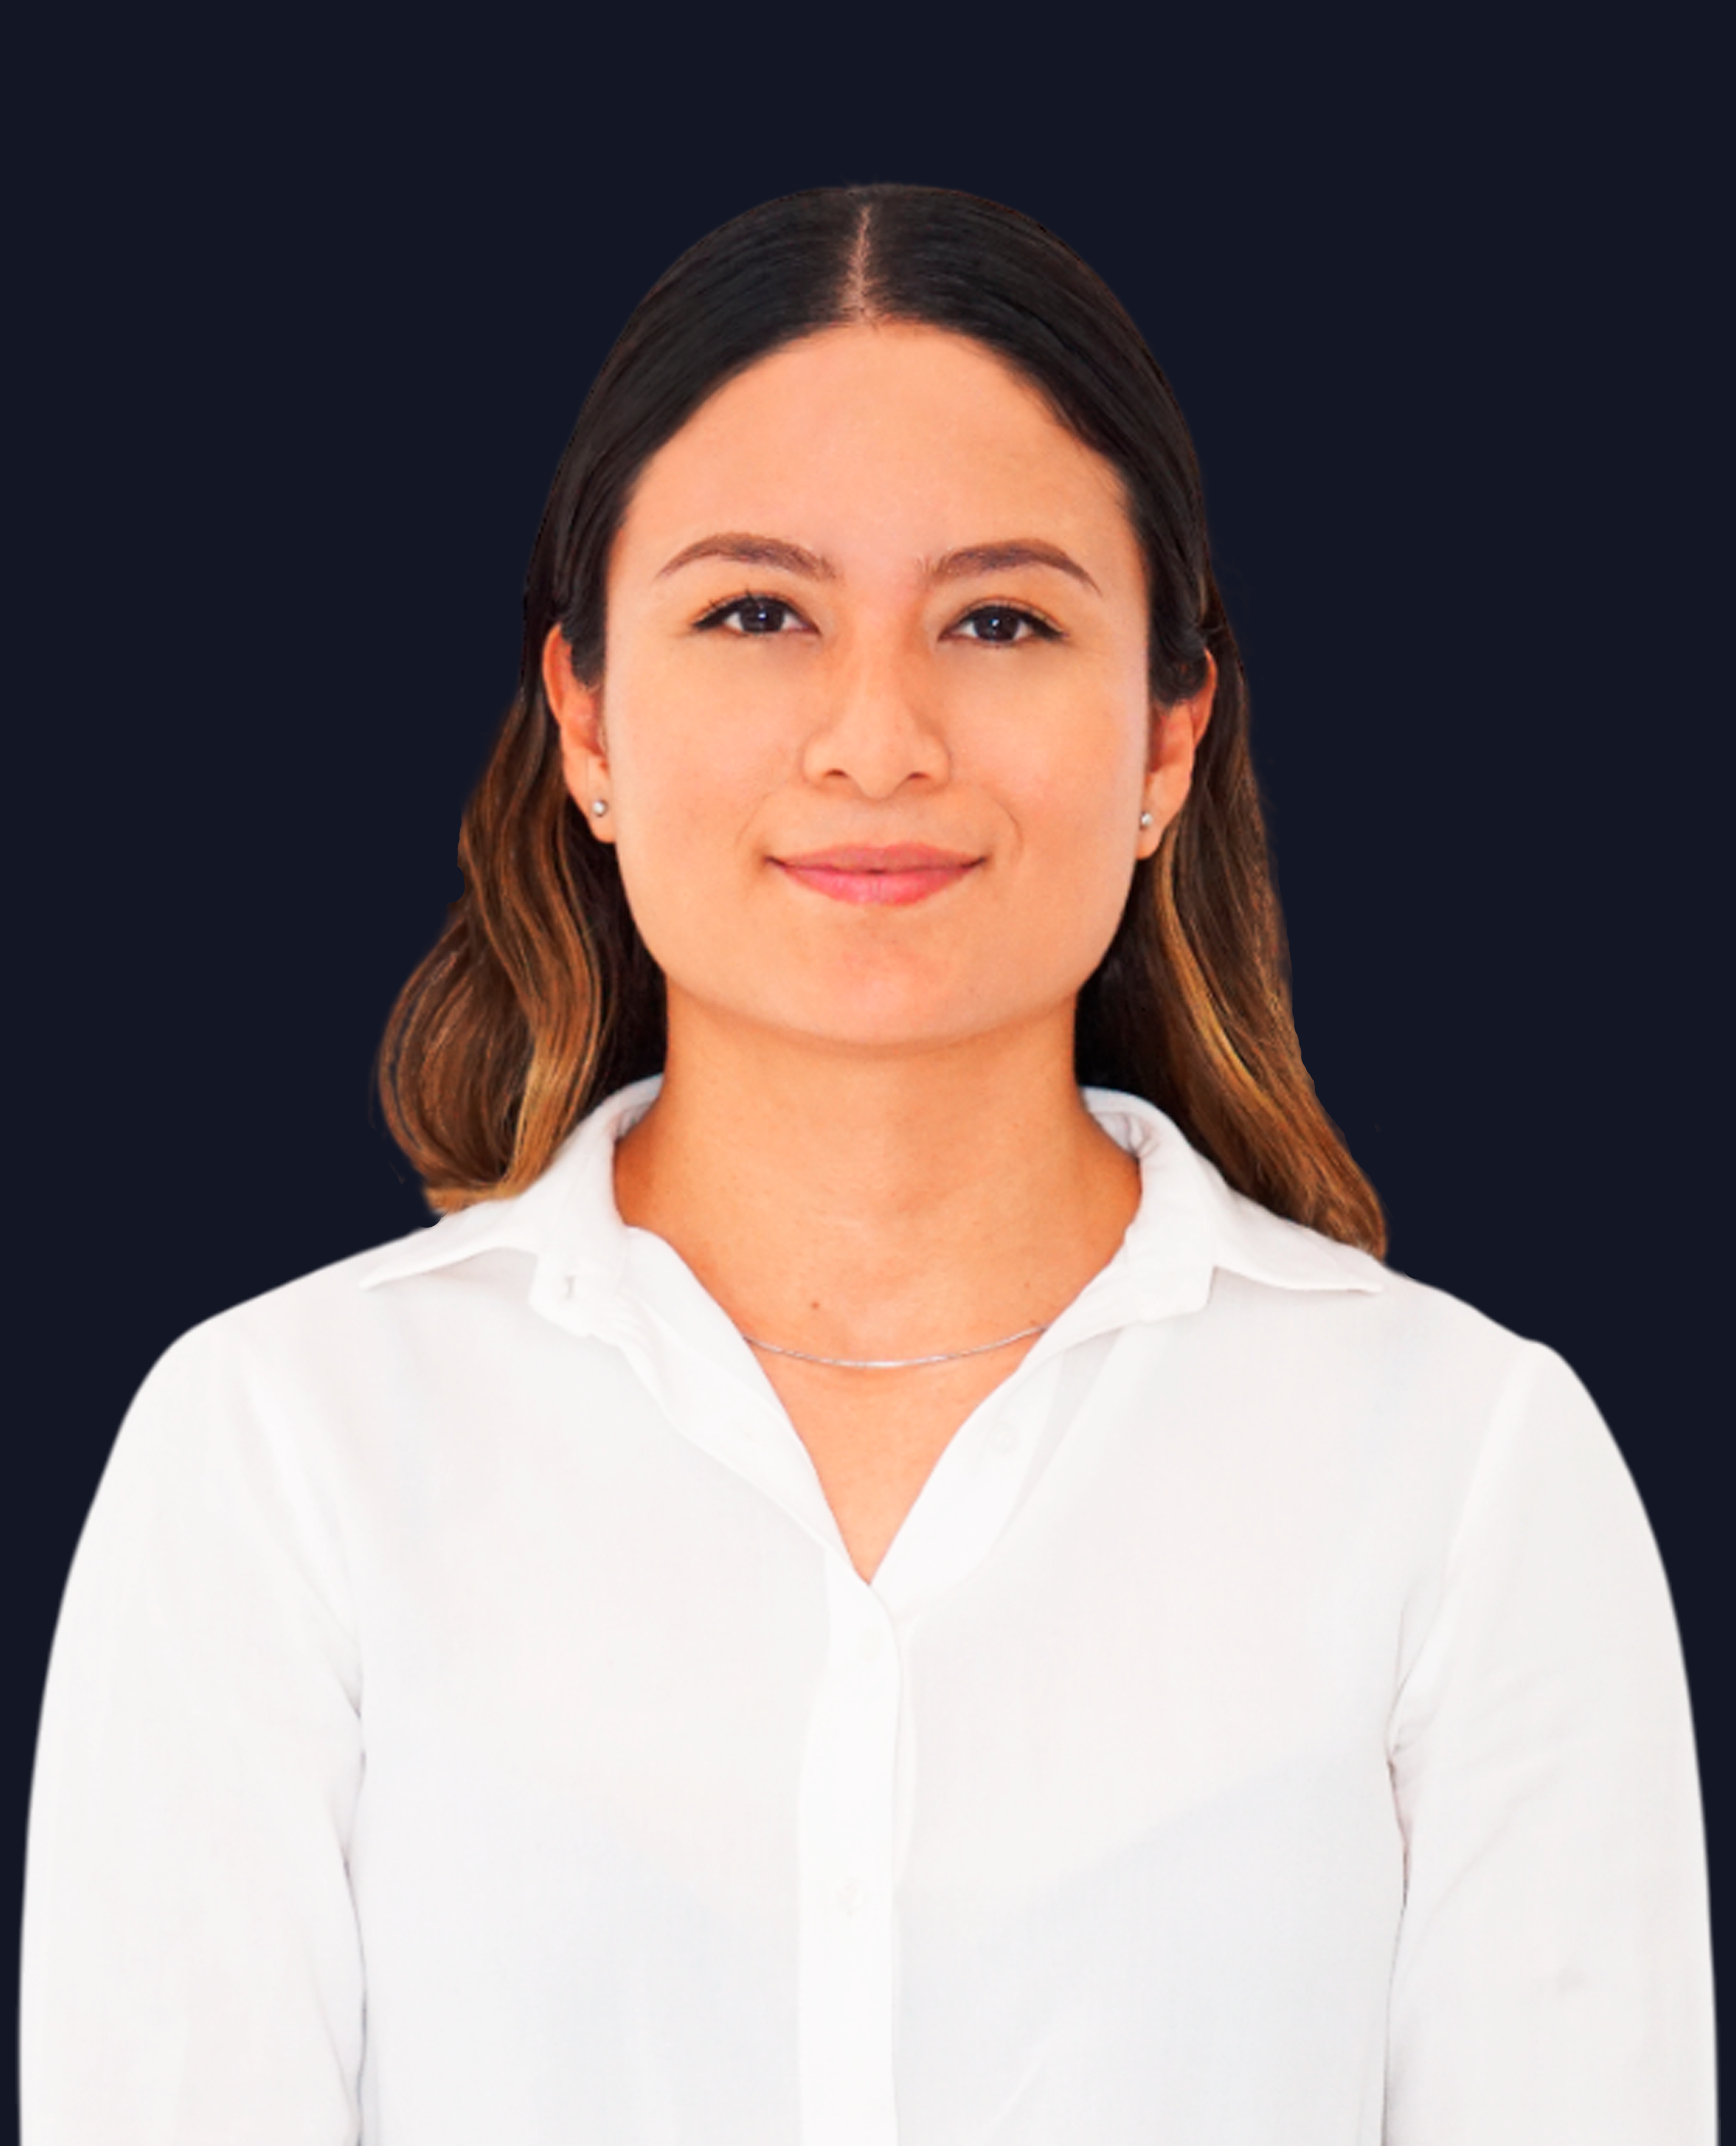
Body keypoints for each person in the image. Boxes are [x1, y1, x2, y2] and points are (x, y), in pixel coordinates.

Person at [20, 183, 1713, 2144]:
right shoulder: (281, 1453)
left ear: (1167, 736)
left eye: (1001, 620)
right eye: (757, 613)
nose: (879, 738)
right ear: (585, 721)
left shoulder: (1466, 1472)